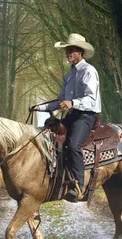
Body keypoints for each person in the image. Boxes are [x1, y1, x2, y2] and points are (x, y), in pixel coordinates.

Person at [33, 33, 101, 200]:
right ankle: (58, 178)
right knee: (49, 133)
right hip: (73, 114)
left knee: (72, 144)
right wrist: (39, 107)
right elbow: (60, 101)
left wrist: (72, 103)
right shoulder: (69, 75)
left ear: (80, 52)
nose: (68, 53)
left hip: (86, 116)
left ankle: (79, 186)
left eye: (72, 50)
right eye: (67, 50)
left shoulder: (89, 71)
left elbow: (91, 99)